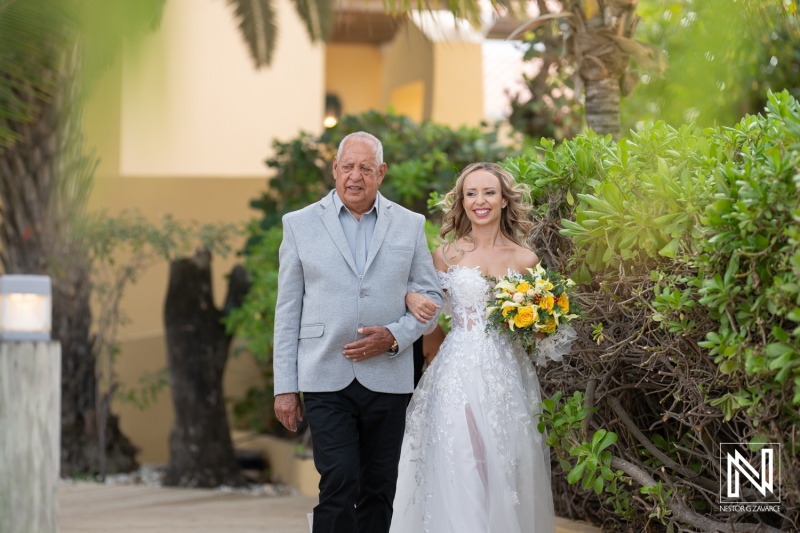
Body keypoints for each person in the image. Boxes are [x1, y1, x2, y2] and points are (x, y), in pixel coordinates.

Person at [272, 131, 444, 533]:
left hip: (389, 374)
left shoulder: (409, 224)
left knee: (379, 488)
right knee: (339, 480)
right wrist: (285, 386)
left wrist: (394, 336)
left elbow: (430, 299)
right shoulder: (298, 225)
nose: (355, 176)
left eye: (365, 168)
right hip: (324, 373)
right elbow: (287, 310)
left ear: (380, 173)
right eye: (347, 166)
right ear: (334, 169)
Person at [391, 162, 556, 533]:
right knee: (462, 461)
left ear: (503, 201)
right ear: (461, 202)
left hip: (506, 374)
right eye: (471, 193)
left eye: (488, 192)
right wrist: (411, 295)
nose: (479, 201)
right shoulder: (446, 256)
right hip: (456, 371)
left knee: (503, 463)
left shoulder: (525, 260)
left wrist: (540, 321)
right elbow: (428, 318)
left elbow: (542, 333)